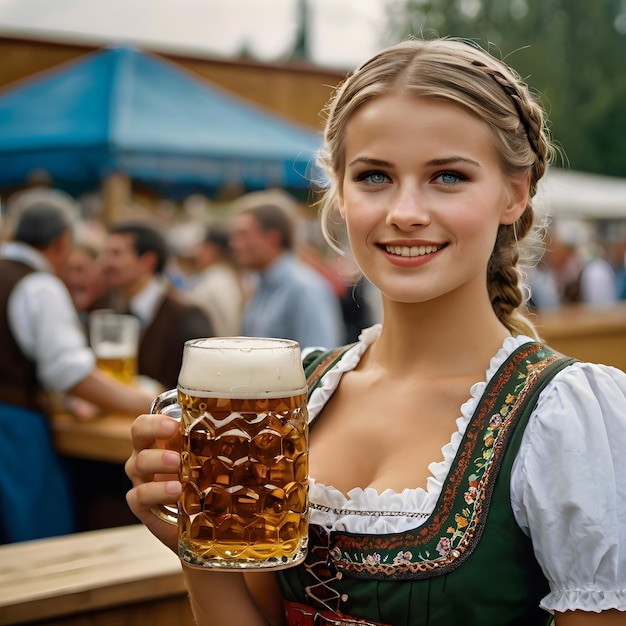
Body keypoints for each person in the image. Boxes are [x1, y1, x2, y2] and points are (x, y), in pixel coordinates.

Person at [125, 37, 626, 625]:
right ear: (339, 192)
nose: (404, 211)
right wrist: (200, 536)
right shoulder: (293, 397)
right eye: (374, 176)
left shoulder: (566, 418)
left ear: (514, 194)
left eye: (447, 176)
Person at [0, 195, 153, 543]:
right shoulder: (39, 285)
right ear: (62, 241)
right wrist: (147, 403)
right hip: (12, 432)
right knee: (31, 544)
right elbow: (70, 373)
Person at [101, 219, 215, 390]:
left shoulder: (187, 316)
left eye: (116, 254)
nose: (105, 263)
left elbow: (205, 386)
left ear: (147, 262)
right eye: (106, 253)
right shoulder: (118, 311)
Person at [229, 190, 346, 349]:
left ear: (272, 238)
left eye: (243, 235)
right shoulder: (260, 285)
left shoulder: (304, 288)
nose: (235, 244)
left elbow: (318, 358)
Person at [183, 221, 245, 336]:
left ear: (211, 249)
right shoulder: (225, 278)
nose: (196, 252)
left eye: (200, 246)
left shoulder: (214, 282)